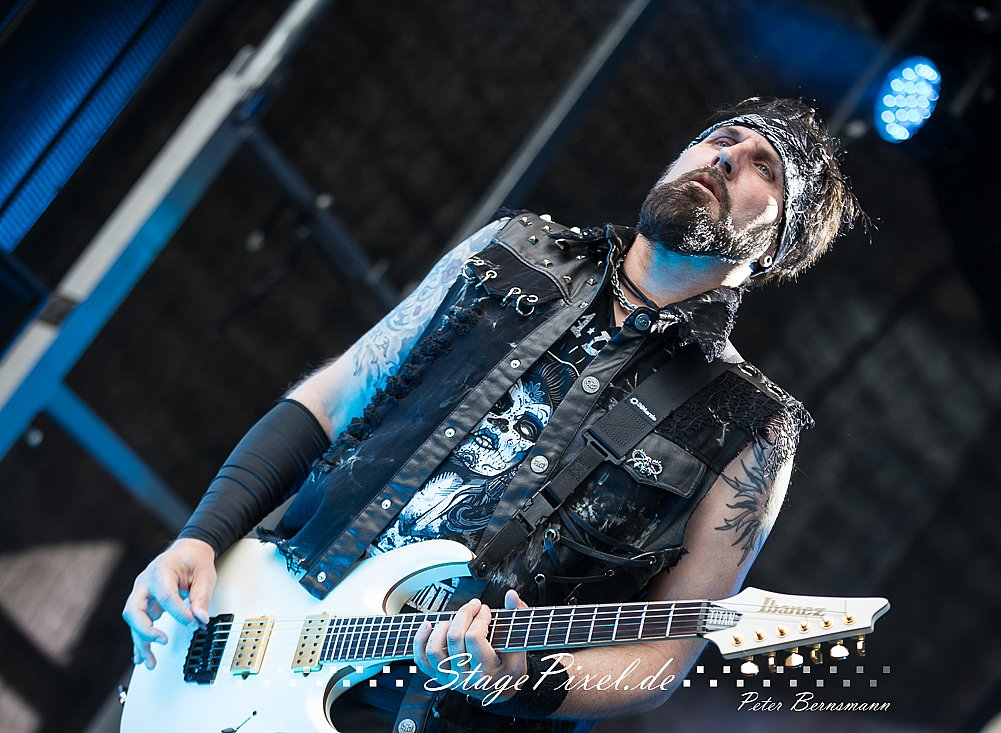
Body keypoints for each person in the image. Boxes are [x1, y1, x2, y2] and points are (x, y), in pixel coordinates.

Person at [122, 96, 862, 731]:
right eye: (721, 138)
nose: (727, 157)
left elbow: (665, 656)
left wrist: (522, 681)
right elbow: (334, 398)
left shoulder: (752, 424)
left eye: (765, 166)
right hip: (263, 624)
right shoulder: (512, 250)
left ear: (778, 246)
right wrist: (201, 536)